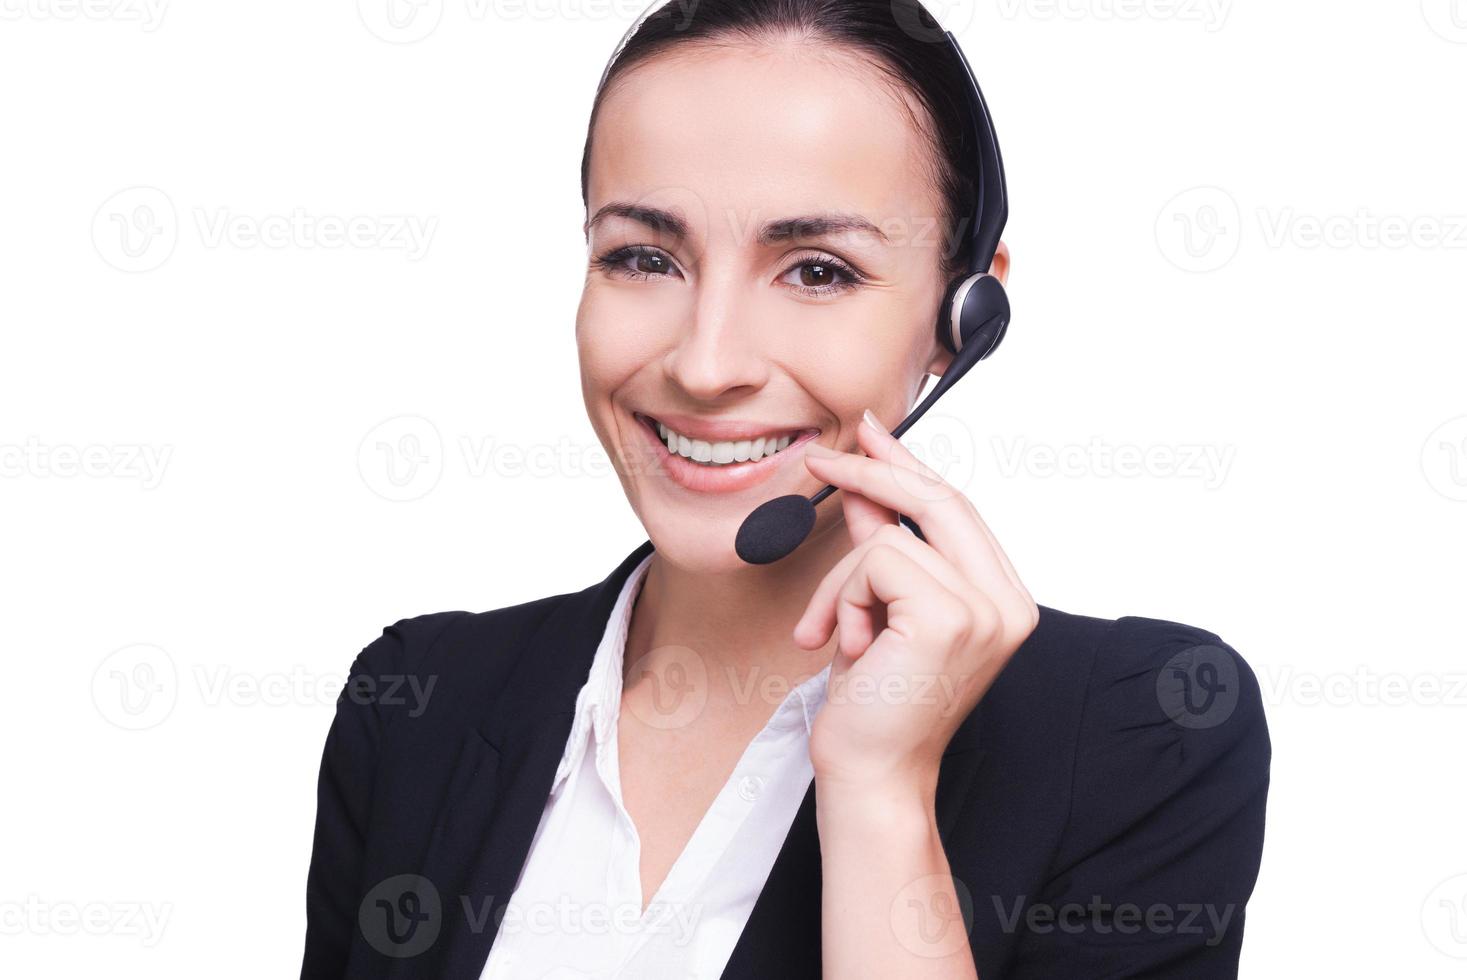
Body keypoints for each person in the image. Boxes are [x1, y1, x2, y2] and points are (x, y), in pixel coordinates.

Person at [299, 1, 1271, 976]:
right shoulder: (417, 699)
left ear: (961, 312)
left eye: (815, 270)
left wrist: (881, 792)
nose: (705, 362)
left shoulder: (1143, 731)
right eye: (642, 256)